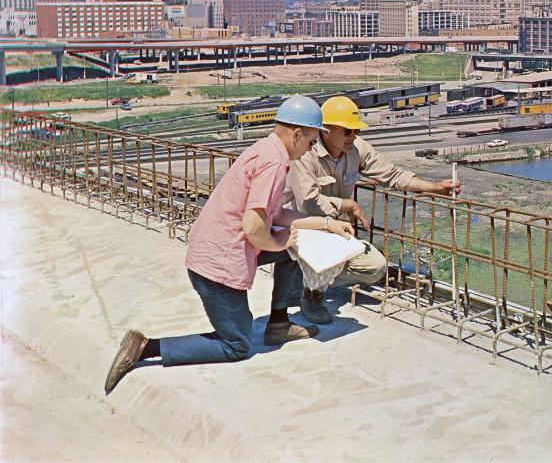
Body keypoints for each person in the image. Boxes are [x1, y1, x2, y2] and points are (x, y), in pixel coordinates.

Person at [104, 95, 353, 395]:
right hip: (216, 267)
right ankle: (145, 347)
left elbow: (278, 214)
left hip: (212, 251)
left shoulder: (265, 149)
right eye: (312, 141)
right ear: (297, 134)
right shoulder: (274, 164)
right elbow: (254, 228)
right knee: (237, 344)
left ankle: (279, 324)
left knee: (291, 248)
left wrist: (326, 224)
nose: (312, 148)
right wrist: (277, 241)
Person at [286, 95, 460, 323]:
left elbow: (392, 174)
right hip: (303, 228)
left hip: (335, 230)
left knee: (375, 267)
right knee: (315, 256)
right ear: (326, 130)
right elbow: (308, 203)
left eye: (355, 131)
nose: (353, 136)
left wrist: (435, 187)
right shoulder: (305, 153)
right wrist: (347, 204)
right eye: (347, 131)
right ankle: (311, 292)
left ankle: (307, 279)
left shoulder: (355, 148)